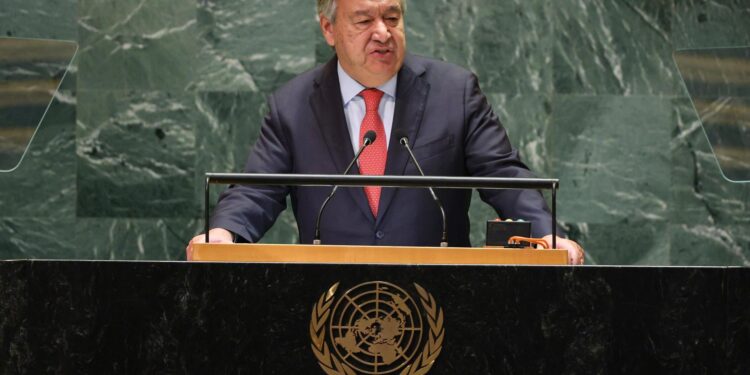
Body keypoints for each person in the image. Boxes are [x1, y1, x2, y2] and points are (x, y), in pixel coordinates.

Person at [187, 0, 585, 264]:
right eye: (364, 20)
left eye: (392, 18)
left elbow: (503, 175)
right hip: (327, 305)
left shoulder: (454, 92)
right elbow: (257, 188)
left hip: (444, 303)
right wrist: (222, 235)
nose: (383, 32)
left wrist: (548, 235)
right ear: (329, 28)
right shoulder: (292, 106)